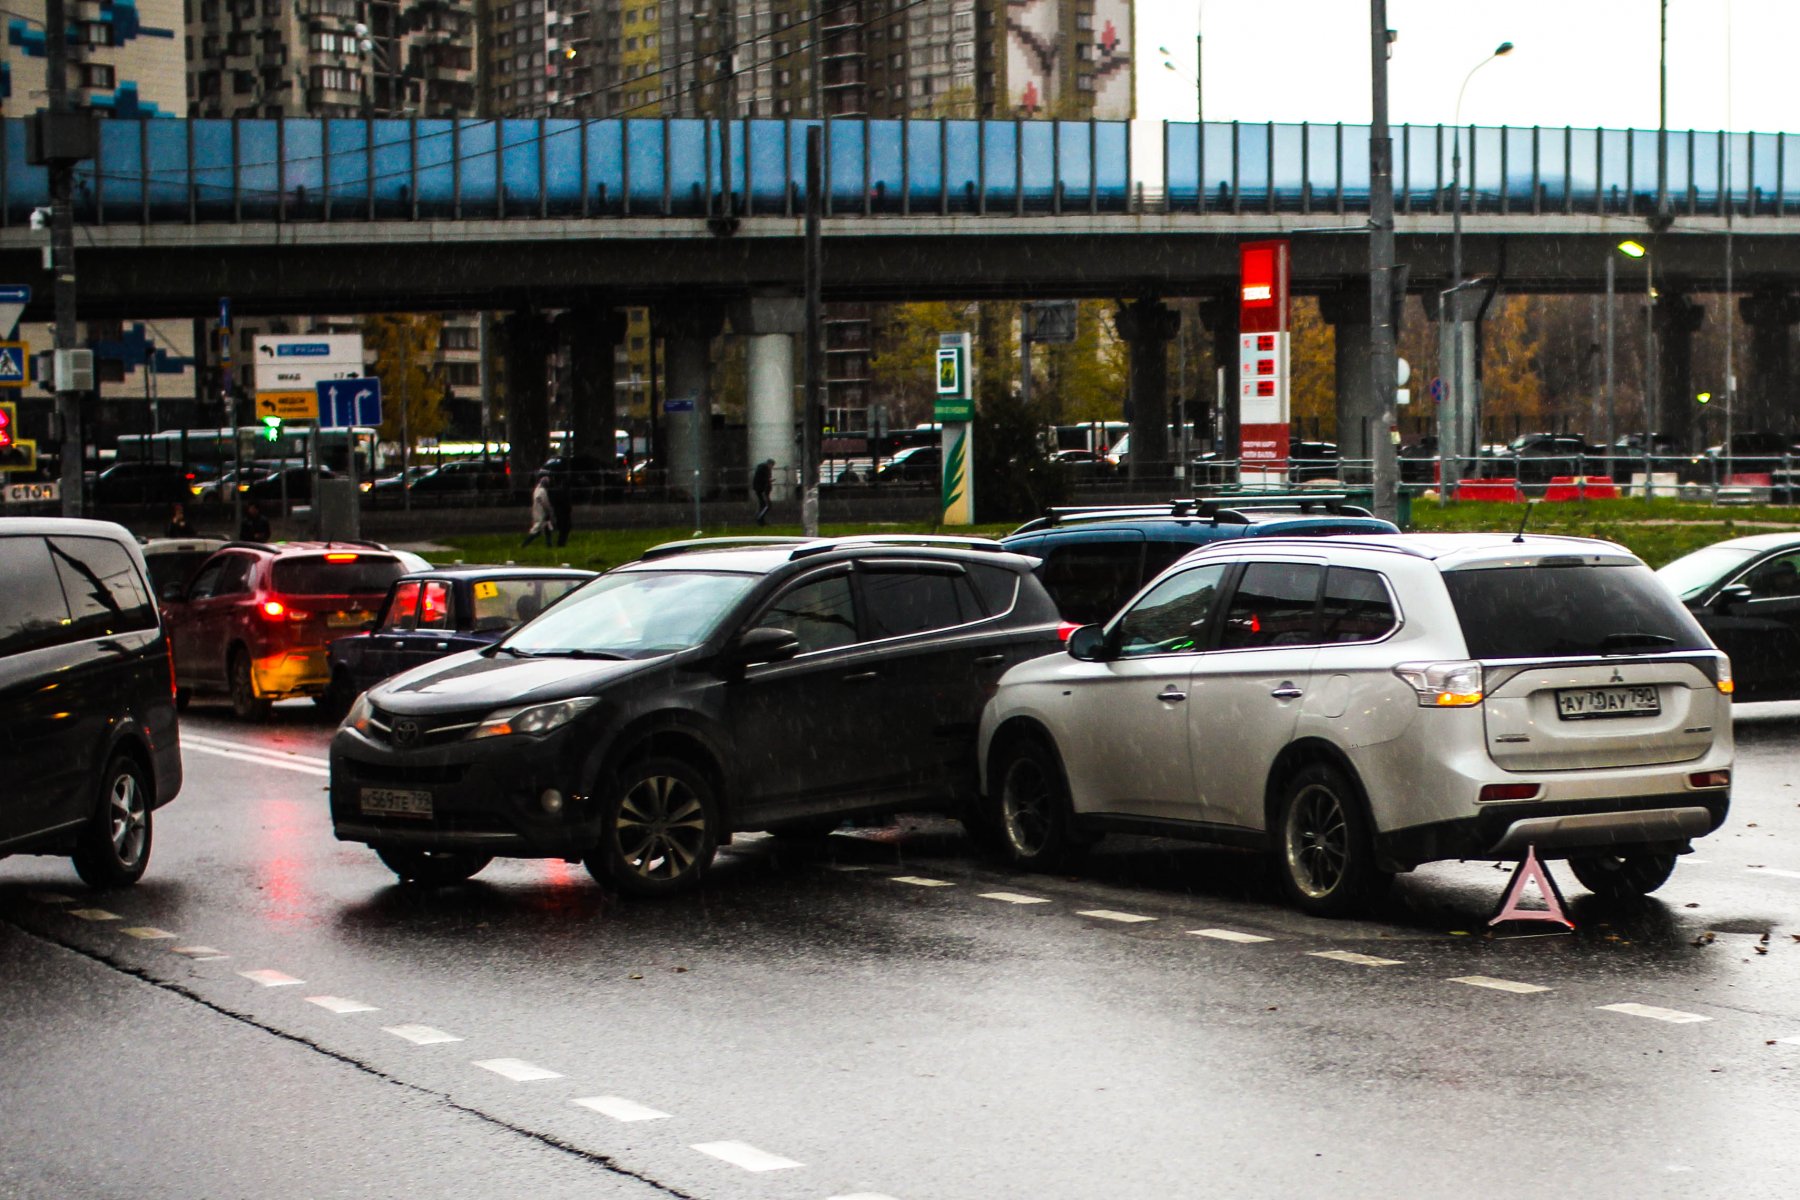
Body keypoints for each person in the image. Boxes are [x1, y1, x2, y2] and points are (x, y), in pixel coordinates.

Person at [522, 472, 556, 548]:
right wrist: (548, 511)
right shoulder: (542, 491)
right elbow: (544, 502)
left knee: (547, 529)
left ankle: (549, 545)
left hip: (539, 512)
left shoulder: (537, 490)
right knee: (537, 530)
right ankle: (524, 544)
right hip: (541, 513)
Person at [549, 468, 574, 547]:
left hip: (559, 513)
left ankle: (561, 543)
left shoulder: (557, 492)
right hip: (563, 513)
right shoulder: (564, 493)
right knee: (565, 528)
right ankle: (561, 543)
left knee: (563, 528)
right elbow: (566, 504)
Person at [752, 458, 775, 525]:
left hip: (760, 489)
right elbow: (764, 479)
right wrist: (768, 481)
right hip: (762, 490)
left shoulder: (761, 468)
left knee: (763, 505)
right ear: (770, 464)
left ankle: (761, 520)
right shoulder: (765, 469)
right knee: (767, 505)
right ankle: (759, 518)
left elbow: (761, 479)